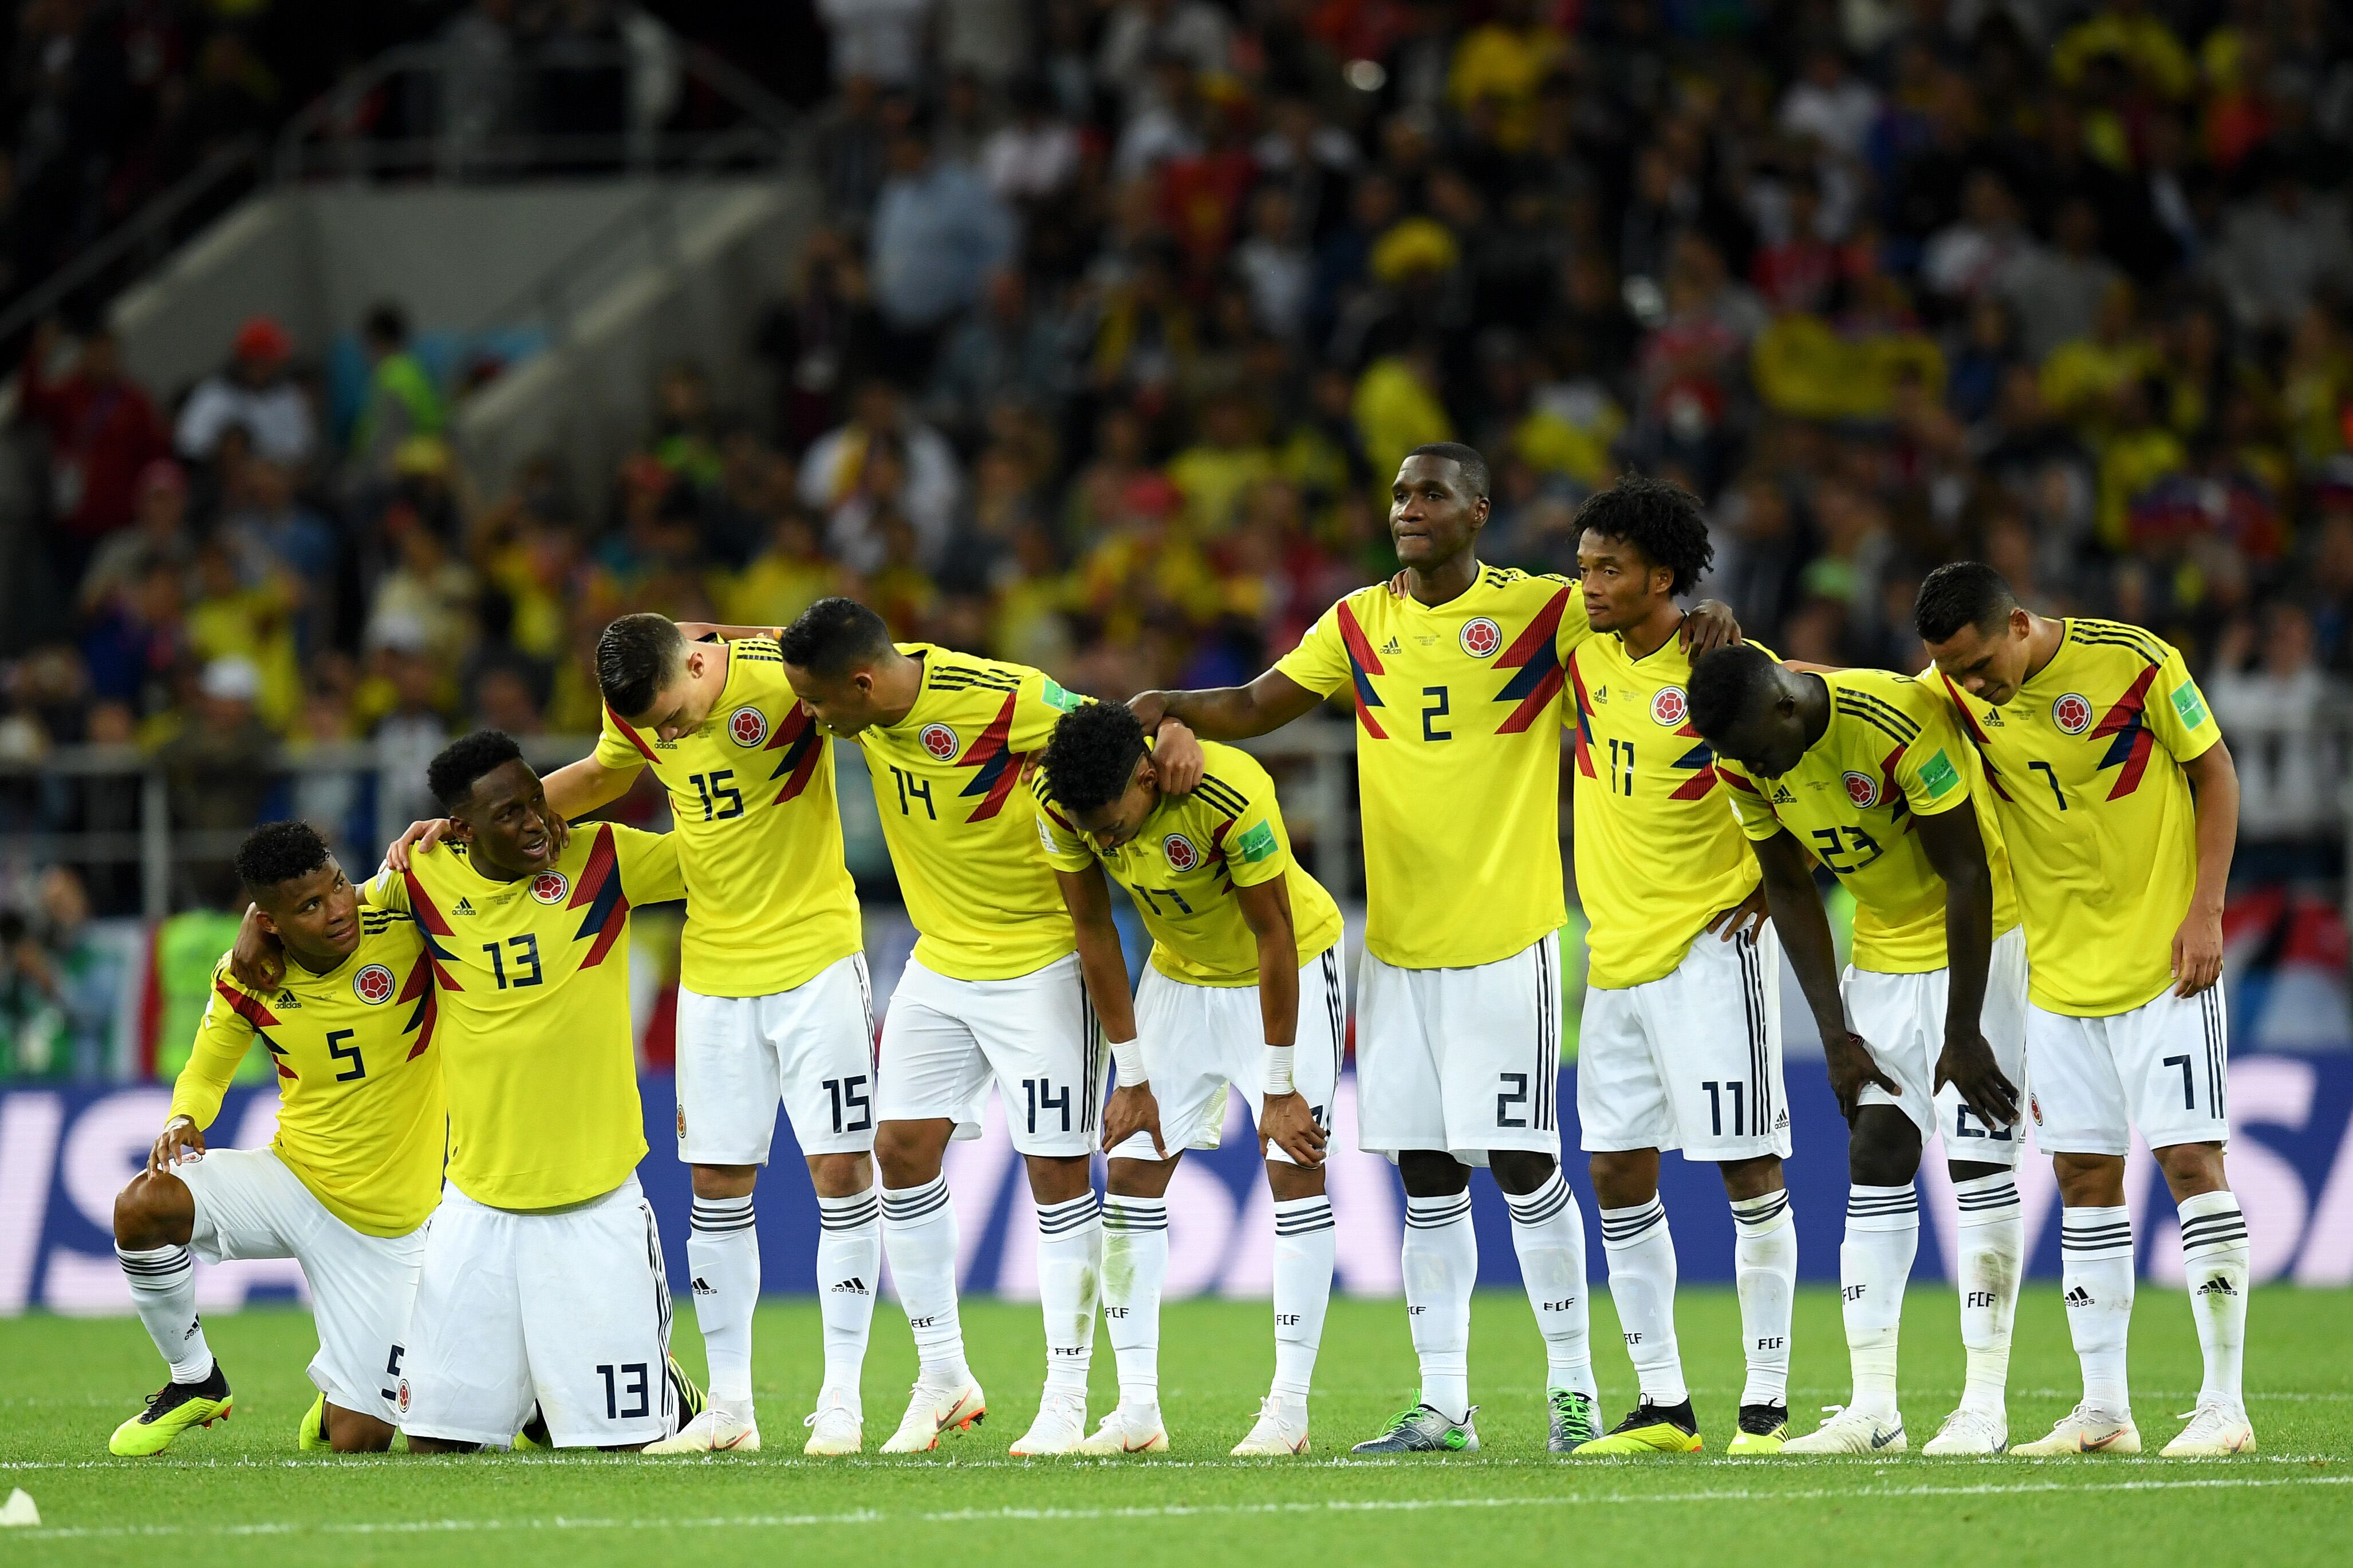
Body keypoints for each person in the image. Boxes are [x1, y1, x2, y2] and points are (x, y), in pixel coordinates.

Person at [1129, 446, 1740, 1456]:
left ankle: (1573, 1391)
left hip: (1505, 939)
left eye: (1429, 494)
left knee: (1521, 1159)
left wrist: (1714, 622)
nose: (1406, 508)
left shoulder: (1543, 610)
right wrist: (1164, 705)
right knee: (1422, 1171)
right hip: (1398, 944)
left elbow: (1646, 625)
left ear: (1476, 512)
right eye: (1400, 493)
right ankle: (1443, 1402)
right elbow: (1253, 705)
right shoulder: (1360, 619)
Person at [392, 613, 878, 1456]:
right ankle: (728, 1404)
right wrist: (467, 826)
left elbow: (865, 679)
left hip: (815, 953)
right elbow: (604, 773)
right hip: (716, 963)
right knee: (718, 1180)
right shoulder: (638, 711)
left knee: (838, 1167)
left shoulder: (781, 680)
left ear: (699, 661)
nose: (669, 736)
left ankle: (841, 1397)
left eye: (675, 717)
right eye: (654, 727)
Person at [755, 599, 1194, 1454]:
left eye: (818, 704)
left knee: (1056, 1170)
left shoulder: (1001, 697)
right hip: (940, 959)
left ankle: (1067, 1400)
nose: (809, 719)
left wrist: (1176, 725)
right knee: (901, 1150)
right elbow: (759, 642)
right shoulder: (857, 694)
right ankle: (944, 1374)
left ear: (863, 681)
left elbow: (1115, 729)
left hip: (1041, 961)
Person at [239, 733, 702, 1452]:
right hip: (476, 1209)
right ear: (461, 829)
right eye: (509, 813)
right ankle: (537, 1400)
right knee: (435, 1445)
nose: (537, 824)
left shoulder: (604, 857)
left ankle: (662, 1392)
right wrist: (250, 934)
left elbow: (722, 857)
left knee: (618, 1450)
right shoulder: (422, 875)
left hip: (596, 1199)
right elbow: (323, 914)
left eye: (538, 802)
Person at [1915, 564, 2252, 1459]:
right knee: (2085, 1179)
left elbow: (2215, 772)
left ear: (2018, 623)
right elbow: (1854, 697)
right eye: (1952, 670)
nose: (1972, 685)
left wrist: (2206, 908)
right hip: (2058, 979)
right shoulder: (1950, 689)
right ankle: (2104, 1406)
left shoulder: (2135, 662)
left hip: (2165, 962)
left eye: (1982, 663)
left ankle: (2224, 1404)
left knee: (2187, 1159)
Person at [1688, 644, 2031, 1455]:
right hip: (1879, 955)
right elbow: (1788, 885)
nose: (1749, 767)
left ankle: (1984, 1404)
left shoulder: (1892, 719)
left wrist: (1964, 1026)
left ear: (1783, 703)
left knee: (1980, 1155)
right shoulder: (1743, 757)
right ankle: (1873, 1406)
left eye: (1754, 750)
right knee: (1875, 1153)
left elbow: (1966, 873)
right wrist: (1835, 1033)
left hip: (1986, 940)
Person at [1034, 701, 1345, 1458]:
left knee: (1294, 1170)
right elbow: (1094, 929)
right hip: (1177, 976)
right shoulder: (1061, 802)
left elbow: (1274, 932)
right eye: (1094, 830)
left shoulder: (1227, 792)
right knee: (1133, 1174)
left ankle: (1288, 1410)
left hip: (1285, 971)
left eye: (1113, 823)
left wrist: (1278, 1084)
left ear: (1147, 775)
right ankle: (1136, 1408)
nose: (1104, 839)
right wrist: (1131, 1073)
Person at [1555, 477, 1791, 1458]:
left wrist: (1778, 884)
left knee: (1745, 1165)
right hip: (1612, 953)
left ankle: (1766, 1405)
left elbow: (1808, 777)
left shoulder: (1730, 668)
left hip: (1708, 947)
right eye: (1582, 566)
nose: (1588, 584)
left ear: (1662, 575)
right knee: (1613, 1167)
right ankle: (1661, 1405)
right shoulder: (1577, 647)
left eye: (1607, 568)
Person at [108, 822, 442, 1455]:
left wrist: (446, 827)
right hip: (293, 1180)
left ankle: (345, 1390)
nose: (338, 909)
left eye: (338, 885)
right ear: (269, 921)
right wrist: (182, 1118)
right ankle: (194, 1379)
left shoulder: (403, 929)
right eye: (310, 907)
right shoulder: (247, 976)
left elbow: (468, 869)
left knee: (359, 1442)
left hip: (387, 1229)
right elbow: (207, 1071)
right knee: (144, 1204)